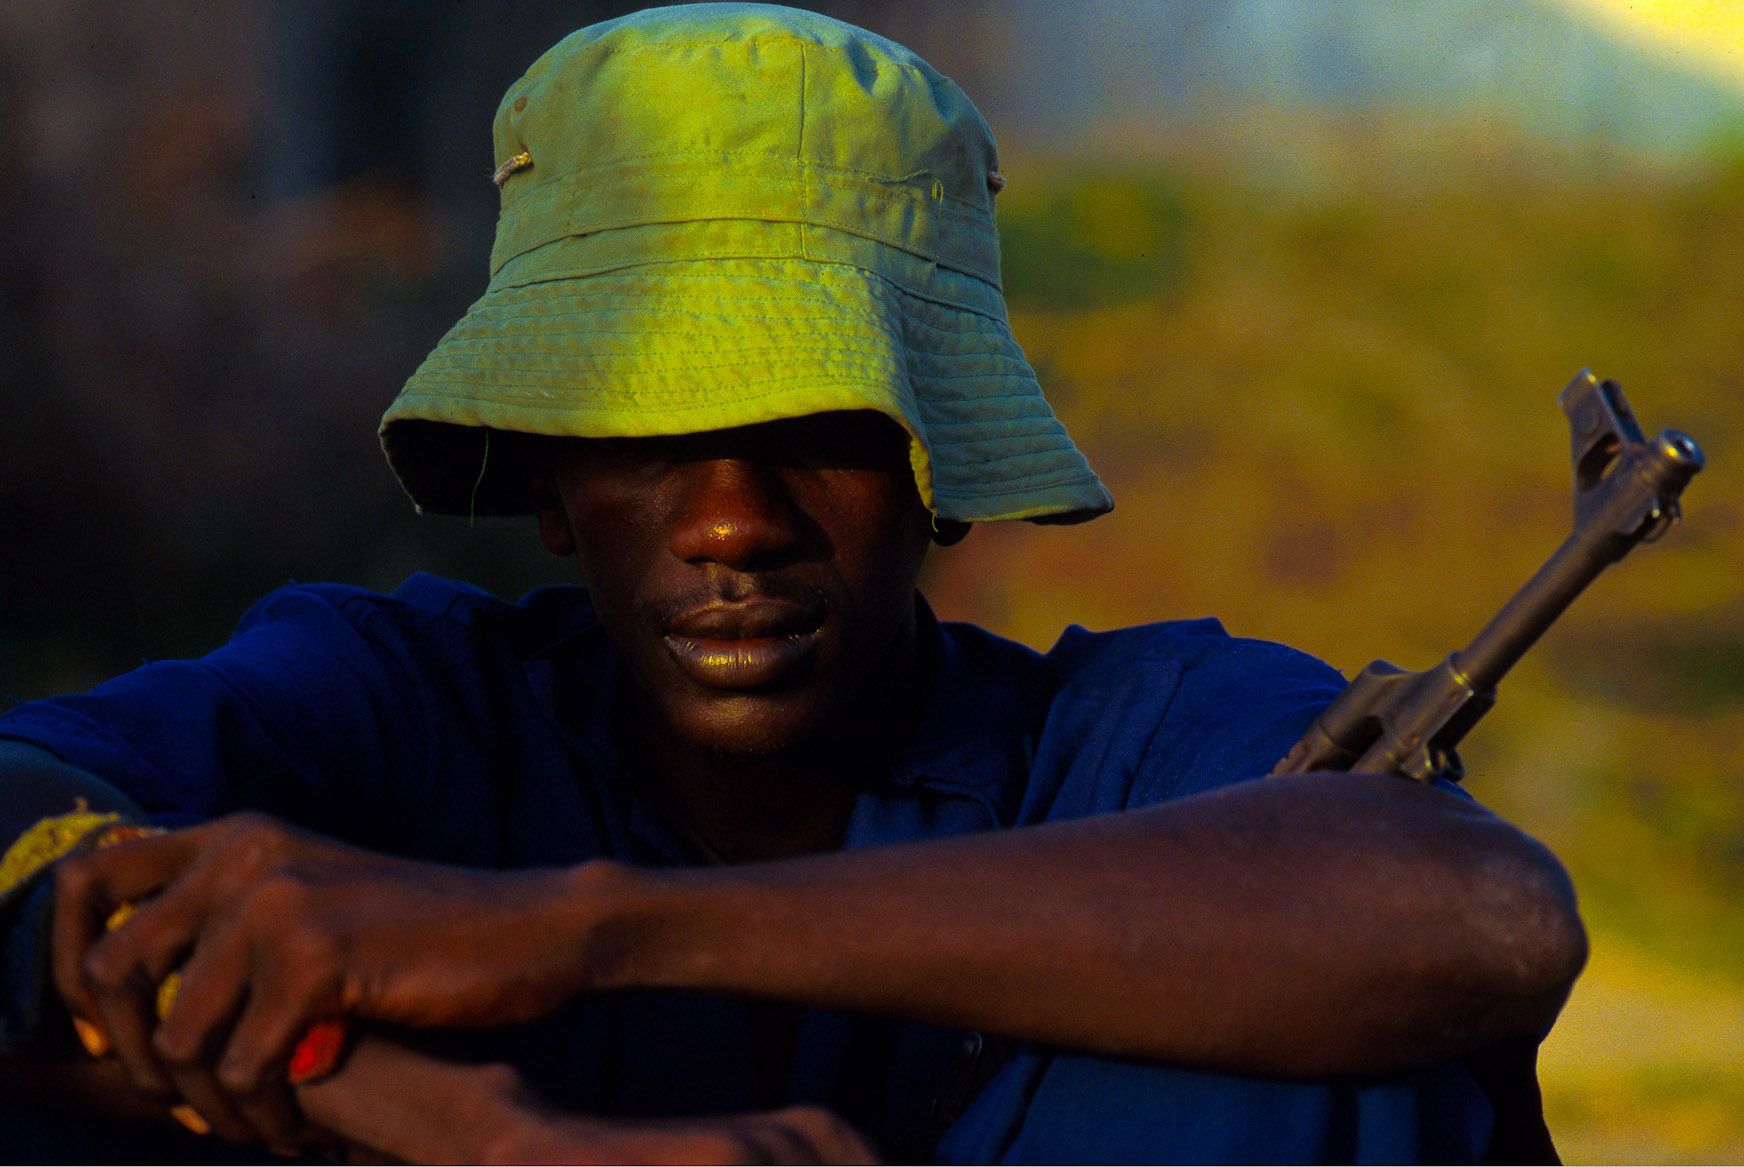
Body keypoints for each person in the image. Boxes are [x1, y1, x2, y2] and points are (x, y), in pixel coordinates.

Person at [0, 5, 1585, 1163]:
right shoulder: (389, 706)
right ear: (553, 489)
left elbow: (1481, 916)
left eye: (822, 431)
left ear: (935, 471)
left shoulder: (1137, 735)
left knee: (1351, 1048)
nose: (733, 523)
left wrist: (577, 936)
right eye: (645, 440)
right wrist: (467, 1126)